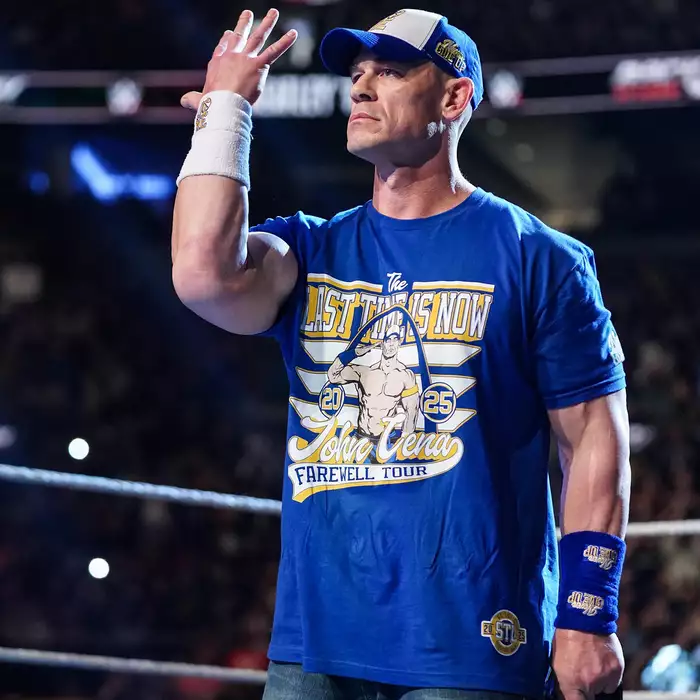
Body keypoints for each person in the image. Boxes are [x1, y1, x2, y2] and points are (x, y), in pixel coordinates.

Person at [171, 7, 630, 700]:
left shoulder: (540, 257)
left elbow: (594, 437)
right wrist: (225, 113)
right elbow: (202, 276)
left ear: (453, 98)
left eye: (389, 71)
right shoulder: (313, 250)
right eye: (357, 72)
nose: (360, 86)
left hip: (474, 645)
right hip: (317, 643)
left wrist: (588, 617)